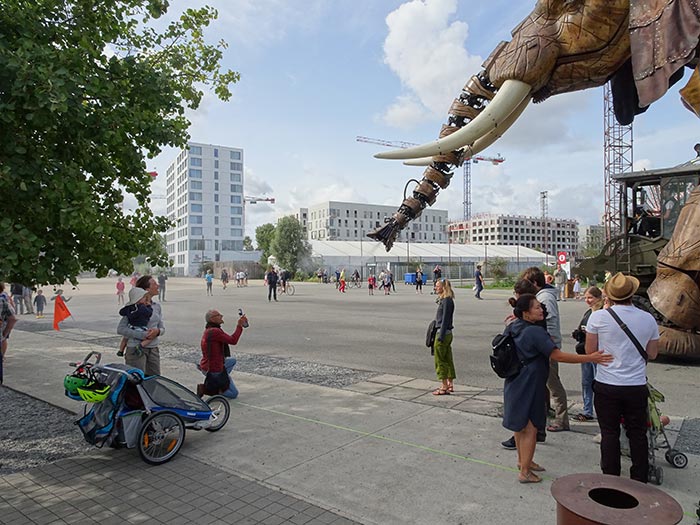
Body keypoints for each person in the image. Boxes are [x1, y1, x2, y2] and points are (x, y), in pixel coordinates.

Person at [503, 294, 612, 483]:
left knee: (521, 425)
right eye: (537, 307)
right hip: (530, 383)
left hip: (516, 380)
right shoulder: (534, 332)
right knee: (531, 428)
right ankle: (525, 472)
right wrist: (590, 357)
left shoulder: (514, 326)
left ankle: (524, 461)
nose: (541, 309)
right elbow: (558, 355)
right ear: (526, 313)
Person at [585, 272, 659, 483]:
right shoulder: (648, 319)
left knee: (609, 433)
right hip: (635, 385)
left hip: (607, 384)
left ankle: (611, 478)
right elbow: (652, 353)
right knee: (637, 433)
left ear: (608, 296)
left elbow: (591, 352)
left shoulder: (598, 317)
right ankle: (639, 478)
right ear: (632, 294)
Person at [522, 266, 570, 433]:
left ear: (535, 283)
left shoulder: (545, 298)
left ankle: (562, 419)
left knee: (553, 383)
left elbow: (548, 322)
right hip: (545, 344)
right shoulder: (542, 296)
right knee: (545, 383)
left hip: (548, 346)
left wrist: (544, 342)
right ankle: (547, 410)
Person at [117, 275, 164, 376]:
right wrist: (144, 335)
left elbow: (162, 327)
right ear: (146, 289)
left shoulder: (157, 306)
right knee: (136, 382)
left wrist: (158, 332)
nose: (158, 285)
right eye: (154, 284)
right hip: (135, 349)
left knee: (154, 381)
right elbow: (121, 329)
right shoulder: (133, 307)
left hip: (153, 349)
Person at [196, 309, 248, 399]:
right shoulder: (214, 331)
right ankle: (205, 389)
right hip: (212, 368)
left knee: (232, 361)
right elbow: (233, 340)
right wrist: (239, 326)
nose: (221, 316)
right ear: (212, 319)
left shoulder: (212, 329)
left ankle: (222, 379)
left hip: (210, 363)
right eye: (218, 315)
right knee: (233, 394)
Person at [572, 286, 604, 422]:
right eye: (586, 298)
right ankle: (587, 410)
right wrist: (579, 334)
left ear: (599, 298)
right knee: (586, 382)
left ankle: (602, 411)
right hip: (585, 353)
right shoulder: (588, 313)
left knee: (598, 384)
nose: (588, 300)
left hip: (597, 354)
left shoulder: (602, 313)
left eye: (590, 298)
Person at [432, 278, 456, 396]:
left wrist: (440, 335)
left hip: (443, 333)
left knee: (440, 360)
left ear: (443, 287)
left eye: (437, 286)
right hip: (447, 333)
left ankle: (444, 386)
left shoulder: (446, 301)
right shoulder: (447, 300)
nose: (435, 288)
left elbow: (445, 319)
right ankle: (450, 383)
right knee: (447, 358)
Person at [117, 287, 154, 358]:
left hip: (130, 326)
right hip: (140, 327)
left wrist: (128, 312)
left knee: (125, 338)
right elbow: (149, 313)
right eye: (143, 297)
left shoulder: (130, 307)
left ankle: (121, 350)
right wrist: (149, 306)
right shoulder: (142, 307)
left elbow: (121, 312)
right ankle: (140, 346)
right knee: (150, 337)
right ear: (138, 299)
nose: (145, 299)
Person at [0, 283, 18, 384]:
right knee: (3, 340)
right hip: (1, 331)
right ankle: (2, 356)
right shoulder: (4, 298)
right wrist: (5, 331)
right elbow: (13, 318)